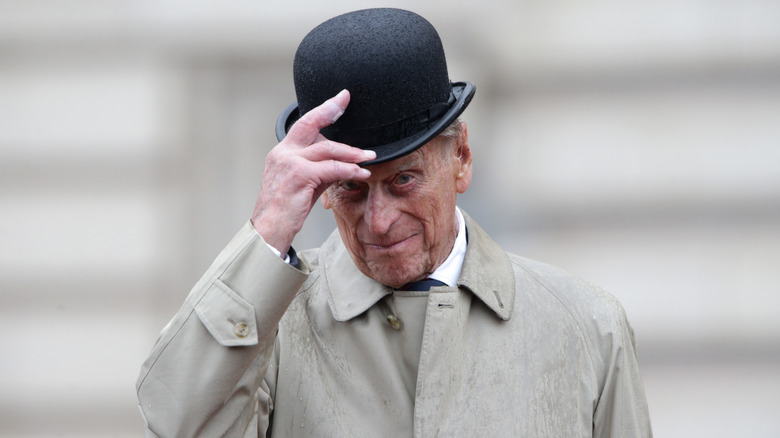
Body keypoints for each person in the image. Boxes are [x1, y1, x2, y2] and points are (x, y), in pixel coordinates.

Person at [136, 8, 652, 437]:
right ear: (322, 193)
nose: (379, 222)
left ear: (461, 158)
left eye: (404, 180)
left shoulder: (586, 327)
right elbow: (177, 423)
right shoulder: (271, 330)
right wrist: (268, 229)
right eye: (351, 188)